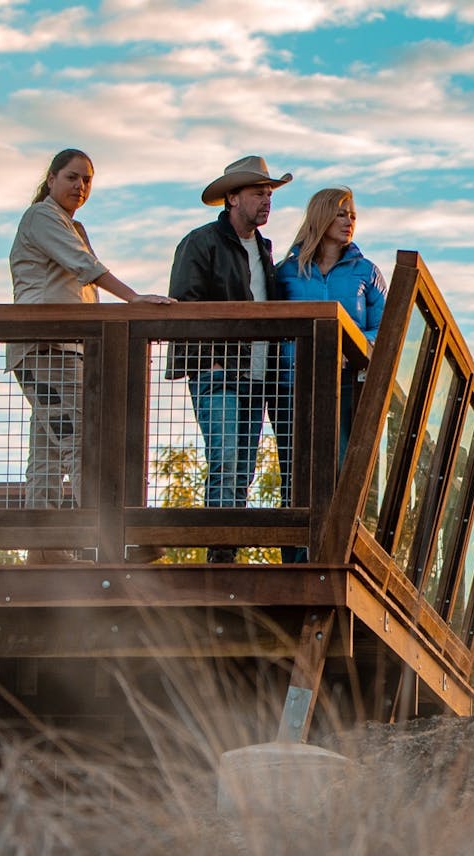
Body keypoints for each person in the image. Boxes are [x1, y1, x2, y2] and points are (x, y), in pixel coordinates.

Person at [8, 148, 175, 565]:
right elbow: (83, 266)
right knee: (84, 440)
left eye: (87, 180)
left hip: (64, 348)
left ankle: (44, 547)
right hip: (47, 347)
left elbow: (83, 285)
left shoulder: (71, 225)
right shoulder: (41, 217)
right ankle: (108, 541)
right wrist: (134, 298)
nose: (80, 186)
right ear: (51, 179)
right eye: (71, 177)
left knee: (49, 447)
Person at [164, 155, 292, 563]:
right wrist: (209, 361)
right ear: (232, 197)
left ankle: (227, 550)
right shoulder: (201, 242)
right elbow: (185, 304)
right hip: (218, 373)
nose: (267, 201)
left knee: (244, 468)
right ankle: (220, 555)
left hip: (258, 377)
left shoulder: (266, 251)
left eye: (270, 194)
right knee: (224, 458)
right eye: (259, 193)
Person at [275, 187, 388, 562]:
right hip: (294, 388)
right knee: (295, 473)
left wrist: (347, 344)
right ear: (321, 217)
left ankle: (336, 557)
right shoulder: (288, 272)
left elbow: (385, 329)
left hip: (346, 388)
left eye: (353, 214)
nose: (349, 221)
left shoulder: (365, 272)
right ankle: (294, 561)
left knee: (342, 470)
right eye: (341, 214)